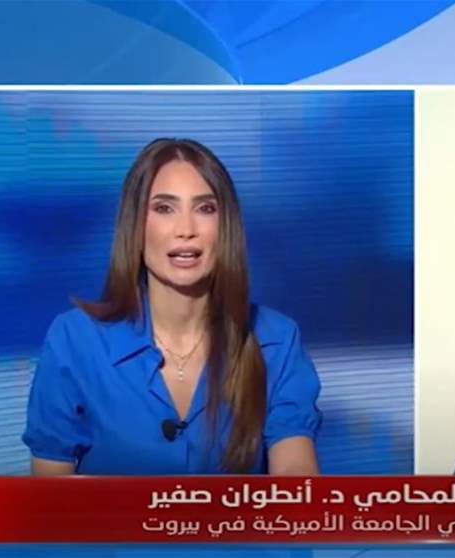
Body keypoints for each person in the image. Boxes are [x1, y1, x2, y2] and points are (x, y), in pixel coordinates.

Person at [23, 138, 321, 475]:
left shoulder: (276, 341)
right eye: (164, 208)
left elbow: (296, 482)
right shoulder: (75, 340)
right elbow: (49, 497)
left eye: (205, 208)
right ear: (135, 225)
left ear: (226, 227)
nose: (186, 230)